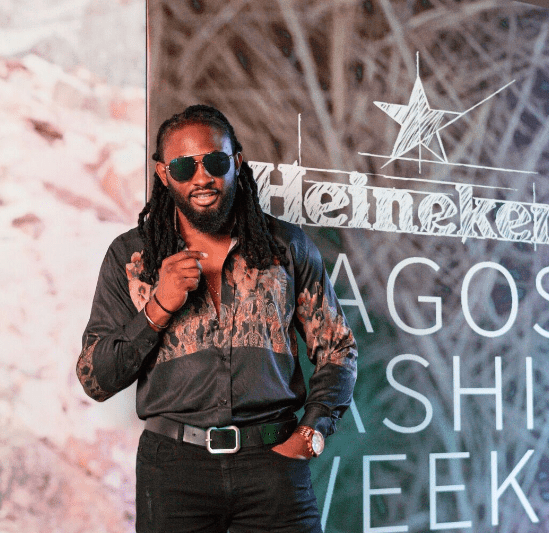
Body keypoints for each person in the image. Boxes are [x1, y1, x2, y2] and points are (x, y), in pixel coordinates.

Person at [76, 104, 357, 532]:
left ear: (236, 162)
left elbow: (338, 348)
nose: (202, 177)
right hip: (174, 474)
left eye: (215, 161)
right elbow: (95, 379)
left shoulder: (286, 247)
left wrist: (312, 431)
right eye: (183, 166)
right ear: (163, 173)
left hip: (273, 466)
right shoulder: (131, 257)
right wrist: (158, 307)